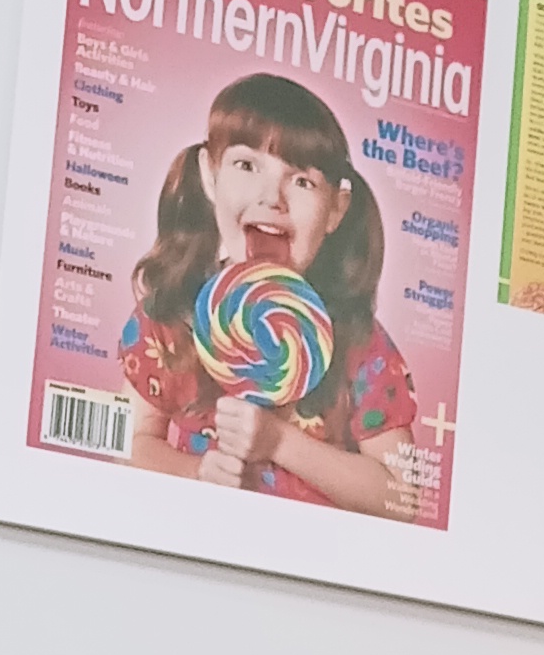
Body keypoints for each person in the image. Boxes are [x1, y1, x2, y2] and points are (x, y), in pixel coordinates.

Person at [120, 74, 417, 514]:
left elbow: (401, 498)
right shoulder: (169, 316)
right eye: (246, 165)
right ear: (209, 175)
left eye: (302, 181)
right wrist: (196, 472)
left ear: (336, 209)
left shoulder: (360, 344)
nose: (272, 197)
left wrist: (279, 441)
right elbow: (130, 443)